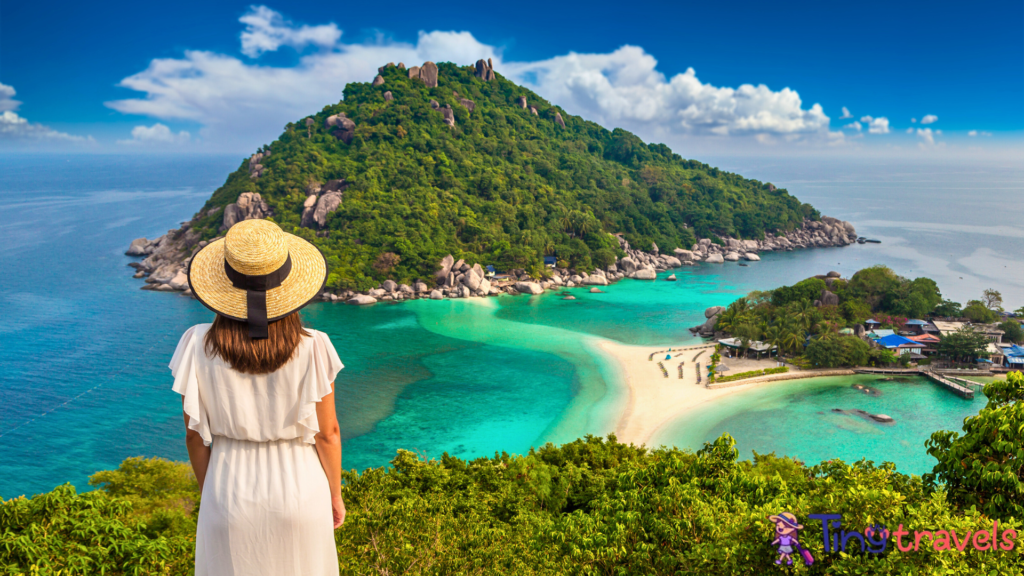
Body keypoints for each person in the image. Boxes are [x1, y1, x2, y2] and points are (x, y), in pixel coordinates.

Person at [171, 219, 344, 575]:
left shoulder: (195, 343)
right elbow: (329, 434)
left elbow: (193, 436)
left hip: (228, 487)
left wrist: (212, 494)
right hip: (301, 488)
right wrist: (335, 494)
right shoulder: (315, 346)